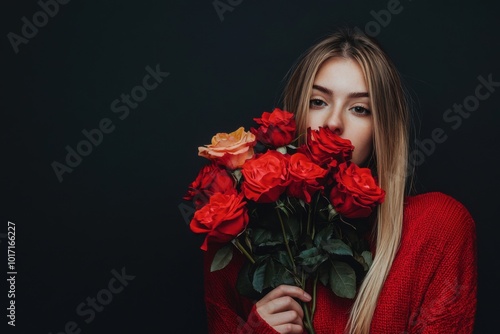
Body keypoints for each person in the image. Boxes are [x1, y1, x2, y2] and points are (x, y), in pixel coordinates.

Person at [202, 27, 477, 334]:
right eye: (318, 102)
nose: (333, 122)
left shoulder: (437, 228)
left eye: (360, 108)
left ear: (381, 130)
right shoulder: (240, 240)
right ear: (295, 115)